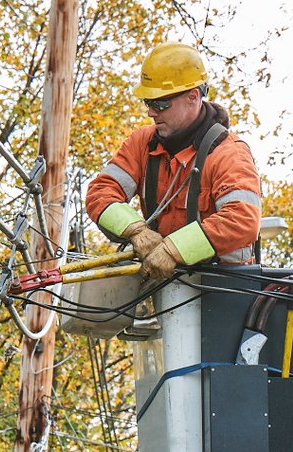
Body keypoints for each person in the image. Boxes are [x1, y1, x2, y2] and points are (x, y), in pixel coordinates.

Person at [85, 42, 262, 280]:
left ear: (193, 97)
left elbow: (243, 219)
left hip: (223, 293)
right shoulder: (142, 144)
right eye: (148, 103)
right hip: (166, 286)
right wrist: (135, 231)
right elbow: (100, 192)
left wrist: (173, 249)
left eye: (160, 104)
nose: (151, 112)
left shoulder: (229, 153)